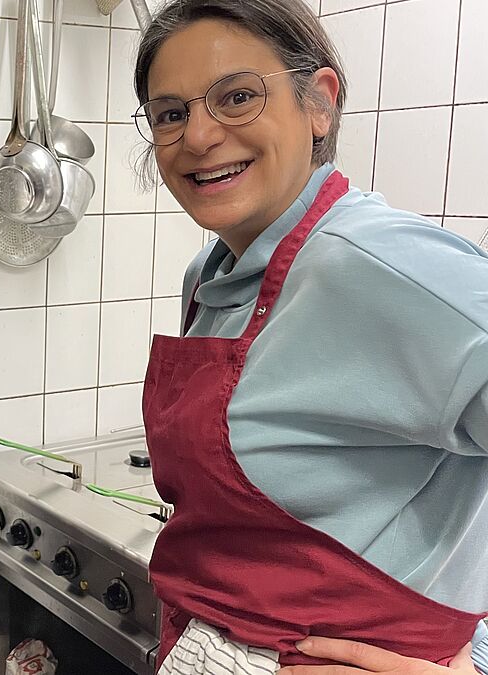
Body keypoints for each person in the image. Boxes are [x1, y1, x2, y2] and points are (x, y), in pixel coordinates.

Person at [131, 1, 488, 674]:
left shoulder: (375, 263)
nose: (199, 135)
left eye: (237, 96)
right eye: (171, 113)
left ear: (319, 104)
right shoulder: (211, 274)